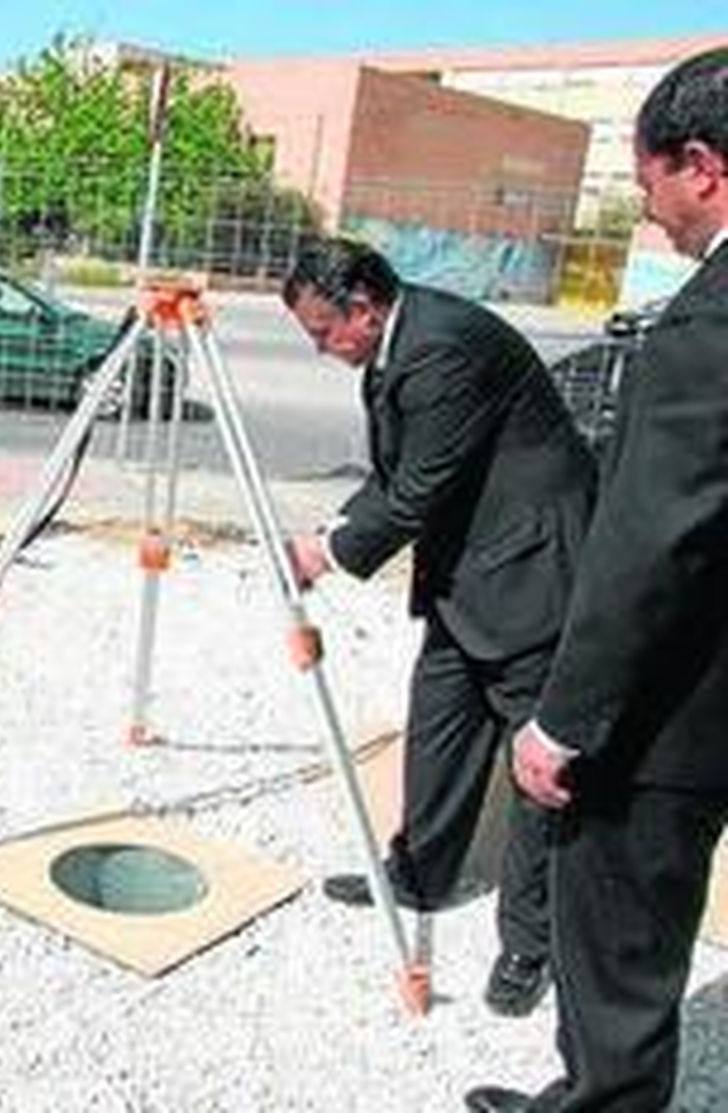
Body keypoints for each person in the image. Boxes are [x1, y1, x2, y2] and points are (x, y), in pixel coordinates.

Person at [466, 47, 728, 1113]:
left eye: (649, 182)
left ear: (700, 166)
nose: (652, 211)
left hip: (672, 717)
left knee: (617, 956)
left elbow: (652, 544)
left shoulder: (709, 330)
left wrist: (561, 722)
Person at [281, 237, 596, 1017]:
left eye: (324, 332)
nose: (322, 350)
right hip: (467, 575)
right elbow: (394, 475)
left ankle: (530, 941)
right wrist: (335, 525)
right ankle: (419, 871)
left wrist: (324, 552)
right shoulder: (396, 345)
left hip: (530, 575)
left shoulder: (442, 349)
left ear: (363, 306)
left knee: (535, 773)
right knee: (440, 730)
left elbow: (418, 488)